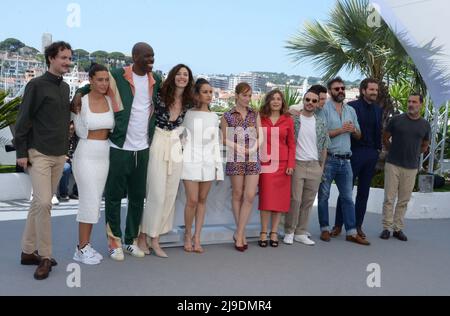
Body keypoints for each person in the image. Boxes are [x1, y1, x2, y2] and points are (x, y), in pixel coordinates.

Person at [74, 42, 162, 261]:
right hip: (118, 146)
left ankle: (130, 240)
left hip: (142, 148)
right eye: (147, 56)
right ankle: (114, 242)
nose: (151, 60)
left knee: (137, 197)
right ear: (135, 57)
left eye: (153, 56)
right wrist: (78, 91)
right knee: (113, 197)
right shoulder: (116, 75)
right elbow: (95, 85)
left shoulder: (156, 80)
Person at [15, 41, 73, 280]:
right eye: (63, 58)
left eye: (70, 58)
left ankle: (28, 252)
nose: (68, 62)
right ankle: (45, 256)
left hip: (59, 154)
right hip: (38, 153)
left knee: (38, 205)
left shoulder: (65, 88)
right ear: (51, 58)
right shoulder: (36, 85)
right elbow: (23, 120)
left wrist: (66, 148)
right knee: (45, 204)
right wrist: (21, 152)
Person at [138, 64, 194, 258]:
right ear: (173, 76)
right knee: (156, 193)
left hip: (175, 145)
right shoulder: (160, 94)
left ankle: (155, 238)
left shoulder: (188, 101)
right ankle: (144, 236)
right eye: (179, 74)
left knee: (170, 194)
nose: (182, 77)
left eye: (186, 75)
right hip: (158, 142)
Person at [317, 77, 370, 246]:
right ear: (330, 91)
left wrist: (353, 130)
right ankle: (324, 228)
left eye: (342, 88)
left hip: (346, 160)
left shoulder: (350, 111)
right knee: (324, 196)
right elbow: (321, 134)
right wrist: (341, 130)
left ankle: (351, 232)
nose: (340, 91)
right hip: (329, 159)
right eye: (336, 88)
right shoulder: (324, 109)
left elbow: (359, 135)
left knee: (347, 197)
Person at [72, 64, 114, 265]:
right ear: (91, 80)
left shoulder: (110, 100)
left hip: (104, 153)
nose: (104, 83)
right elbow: (80, 131)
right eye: (99, 79)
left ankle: (84, 246)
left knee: (95, 200)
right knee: (88, 199)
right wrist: (79, 94)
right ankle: (81, 248)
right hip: (86, 153)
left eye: (106, 79)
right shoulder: (82, 102)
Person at [333, 79, 383, 239]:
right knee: (346, 191)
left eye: (376, 90)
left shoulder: (378, 109)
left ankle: (357, 225)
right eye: (371, 89)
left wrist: (377, 151)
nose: (374, 92)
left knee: (364, 192)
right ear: (363, 91)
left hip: (370, 154)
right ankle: (338, 225)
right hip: (354, 153)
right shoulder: (351, 107)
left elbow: (378, 131)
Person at [380, 93, 431, 241]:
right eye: (409, 101)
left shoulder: (425, 125)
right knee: (389, 198)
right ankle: (386, 228)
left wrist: (414, 154)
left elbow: (425, 145)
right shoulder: (396, 120)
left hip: (411, 167)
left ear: (420, 104)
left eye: (414, 102)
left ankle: (398, 228)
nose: (411, 104)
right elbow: (385, 137)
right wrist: (392, 150)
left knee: (403, 200)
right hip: (393, 164)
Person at [181, 78, 224, 253]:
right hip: (189, 160)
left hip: (208, 161)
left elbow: (216, 144)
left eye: (211, 92)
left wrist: (217, 168)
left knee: (202, 200)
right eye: (205, 92)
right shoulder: (187, 114)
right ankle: (187, 235)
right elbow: (180, 137)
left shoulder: (214, 117)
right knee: (192, 200)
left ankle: (197, 237)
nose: (209, 95)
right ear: (197, 94)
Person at [220, 82, 263, 252]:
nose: (247, 98)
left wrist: (253, 148)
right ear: (236, 95)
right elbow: (223, 138)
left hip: (253, 157)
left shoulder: (255, 114)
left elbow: (261, 136)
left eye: (250, 95)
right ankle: (241, 235)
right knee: (237, 194)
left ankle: (238, 232)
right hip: (235, 157)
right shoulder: (227, 115)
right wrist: (238, 147)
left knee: (250, 195)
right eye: (244, 95)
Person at [284, 91, 330, 246]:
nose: (310, 102)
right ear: (303, 101)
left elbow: (324, 146)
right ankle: (289, 231)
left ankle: (301, 232)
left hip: (314, 166)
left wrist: (321, 167)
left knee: (308, 202)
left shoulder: (321, 122)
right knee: (295, 200)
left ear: (318, 103)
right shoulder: (293, 119)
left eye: (314, 100)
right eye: (307, 99)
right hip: (297, 164)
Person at [258, 90, 295, 248]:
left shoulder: (288, 120)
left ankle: (274, 232)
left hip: (282, 164)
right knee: (266, 199)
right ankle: (263, 232)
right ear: (268, 101)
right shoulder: (261, 118)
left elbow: (292, 144)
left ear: (282, 102)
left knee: (279, 201)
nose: (275, 101)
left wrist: (291, 164)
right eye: (272, 99)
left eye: (278, 99)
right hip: (265, 163)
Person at [57, 122, 79, 202]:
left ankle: (76, 192)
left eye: (72, 129)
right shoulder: (61, 138)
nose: (71, 131)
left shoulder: (77, 138)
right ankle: (63, 193)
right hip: (63, 160)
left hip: (75, 161)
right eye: (69, 129)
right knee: (66, 168)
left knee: (83, 168)